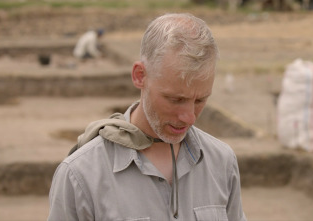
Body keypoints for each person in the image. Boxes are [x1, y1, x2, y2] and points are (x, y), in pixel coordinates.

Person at [48, 13, 246, 221]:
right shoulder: (80, 175)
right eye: (175, 99)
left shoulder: (222, 162)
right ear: (140, 76)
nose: (189, 118)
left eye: (200, 101)